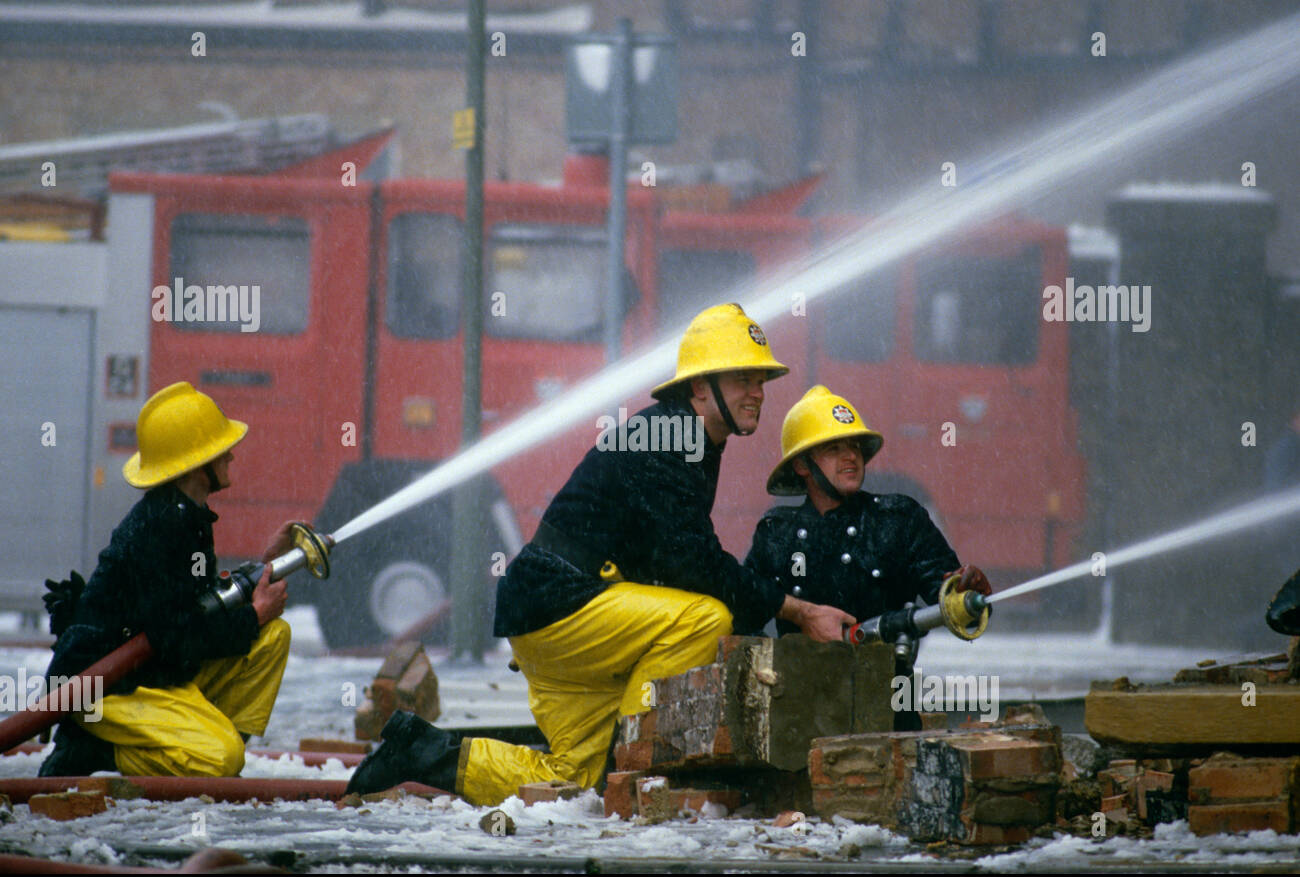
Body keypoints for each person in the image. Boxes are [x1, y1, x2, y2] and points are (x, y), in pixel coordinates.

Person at [347, 303, 855, 805]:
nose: (758, 393)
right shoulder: (672, 440)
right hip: (563, 606)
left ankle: (419, 752)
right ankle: (635, 768)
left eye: (762, 380)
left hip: (548, 612)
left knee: (572, 780)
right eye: (744, 379)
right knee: (705, 618)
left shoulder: (686, 436)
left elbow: (674, 560)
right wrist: (798, 610)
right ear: (701, 386)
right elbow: (694, 564)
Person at [38, 382, 295, 778]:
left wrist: (265, 565)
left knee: (272, 637)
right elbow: (176, 636)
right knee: (221, 758)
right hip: (104, 686)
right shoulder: (161, 527)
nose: (231, 453)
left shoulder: (187, 516)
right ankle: (99, 752)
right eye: (219, 447)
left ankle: (196, 748)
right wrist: (251, 617)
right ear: (196, 462)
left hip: (152, 670)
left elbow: (196, 607)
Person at [740, 386, 990, 721]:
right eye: (834, 448)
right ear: (802, 465)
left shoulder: (898, 519)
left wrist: (965, 592)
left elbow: (947, 595)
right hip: (800, 715)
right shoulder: (777, 534)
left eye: (855, 446)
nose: (851, 457)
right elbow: (742, 617)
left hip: (887, 711)